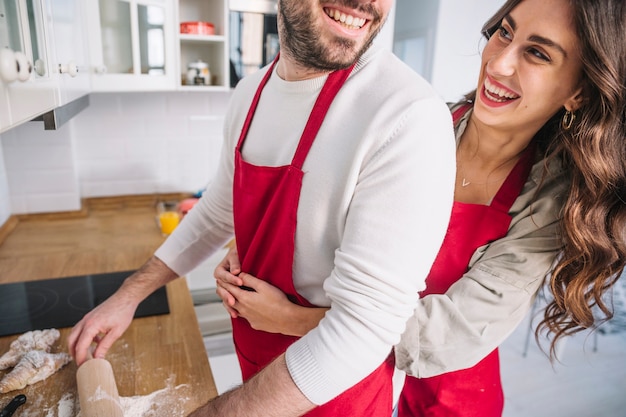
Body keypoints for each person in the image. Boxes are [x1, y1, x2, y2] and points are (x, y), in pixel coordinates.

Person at [214, 0, 626, 415]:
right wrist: (258, 254)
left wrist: (288, 318)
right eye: (504, 32)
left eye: (537, 53)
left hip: (443, 397)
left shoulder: (549, 202)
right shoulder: (416, 128)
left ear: (579, 92)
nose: (498, 65)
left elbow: (454, 331)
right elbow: (329, 222)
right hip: (347, 378)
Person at [68, 0, 457, 416]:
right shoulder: (250, 93)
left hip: (336, 397)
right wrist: (130, 294)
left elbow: (361, 331)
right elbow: (218, 210)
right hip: (258, 374)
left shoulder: (406, 116)